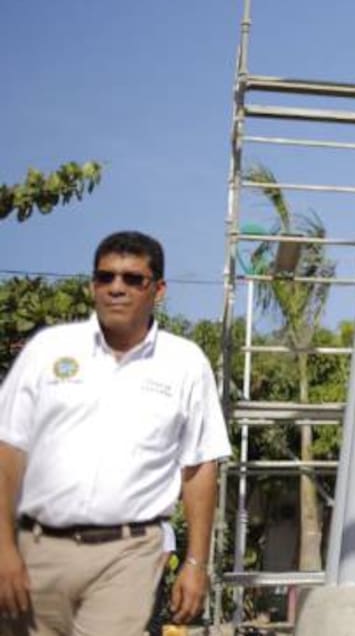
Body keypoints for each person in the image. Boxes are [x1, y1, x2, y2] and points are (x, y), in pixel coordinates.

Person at [0, 231, 231, 636]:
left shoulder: (185, 364)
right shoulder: (48, 351)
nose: (116, 289)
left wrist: (196, 563)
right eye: (105, 278)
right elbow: (8, 451)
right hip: (38, 548)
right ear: (93, 286)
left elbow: (198, 467)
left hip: (129, 553)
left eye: (132, 279)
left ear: (157, 289)